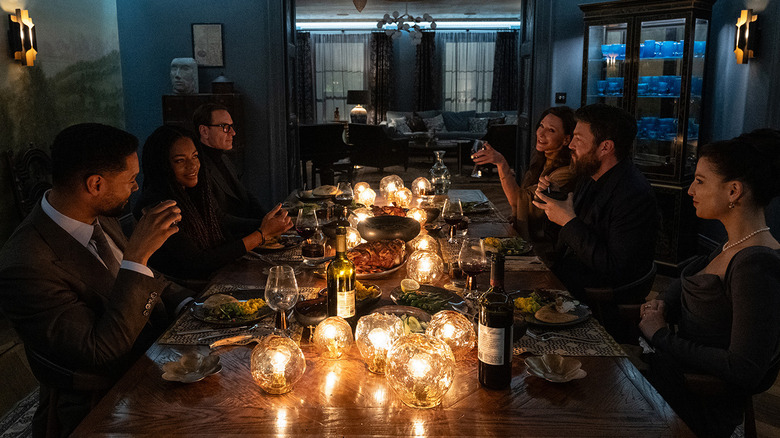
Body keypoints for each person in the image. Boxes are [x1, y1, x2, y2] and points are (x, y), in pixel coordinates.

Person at [0, 123, 193, 437]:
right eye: (130, 179)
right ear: (95, 184)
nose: (135, 187)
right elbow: (101, 353)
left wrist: (193, 303)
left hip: (153, 358)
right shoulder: (26, 263)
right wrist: (137, 256)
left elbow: (147, 278)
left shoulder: (97, 215)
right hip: (103, 402)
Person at [638, 130, 780, 437]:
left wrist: (661, 336)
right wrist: (663, 302)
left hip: (695, 405)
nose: (690, 189)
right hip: (674, 382)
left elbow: (744, 367)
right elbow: (687, 285)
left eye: (700, 181)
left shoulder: (756, 264)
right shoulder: (731, 245)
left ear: (734, 191)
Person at [533, 104, 658, 336]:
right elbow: (568, 238)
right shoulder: (590, 177)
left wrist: (569, 221)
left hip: (593, 302)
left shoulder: (633, 194)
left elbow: (614, 267)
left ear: (605, 147)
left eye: (578, 139)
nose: (570, 145)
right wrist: (555, 201)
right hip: (565, 280)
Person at [134, 125, 292, 280]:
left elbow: (220, 218)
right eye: (180, 161)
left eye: (195, 156)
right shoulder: (156, 206)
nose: (192, 166)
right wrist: (261, 235)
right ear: (161, 165)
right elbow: (197, 262)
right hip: (190, 290)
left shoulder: (189, 191)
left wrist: (268, 223)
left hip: (218, 274)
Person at [472, 106, 577, 261]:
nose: (541, 133)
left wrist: (501, 163)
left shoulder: (566, 172)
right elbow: (521, 203)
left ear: (566, 139)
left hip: (546, 250)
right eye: (541, 126)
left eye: (551, 130)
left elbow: (518, 199)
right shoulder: (542, 161)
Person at [193, 102, 268, 236]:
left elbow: (244, 195)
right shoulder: (197, 167)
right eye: (225, 127)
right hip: (227, 241)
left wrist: (268, 217)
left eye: (231, 126)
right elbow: (216, 218)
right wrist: (262, 225)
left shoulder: (224, 159)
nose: (233, 133)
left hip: (246, 232)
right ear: (204, 131)